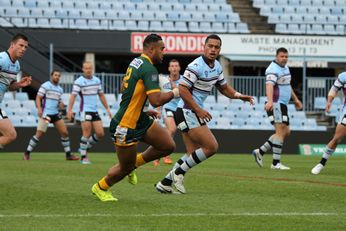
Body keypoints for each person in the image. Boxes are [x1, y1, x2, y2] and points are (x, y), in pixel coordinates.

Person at [155, 34, 254, 194]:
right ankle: (178, 173)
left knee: (191, 153)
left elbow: (223, 88)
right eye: (211, 46)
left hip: (187, 111)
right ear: (204, 47)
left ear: (219, 50)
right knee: (211, 146)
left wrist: (238, 96)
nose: (213, 49)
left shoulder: (217, 67)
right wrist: (198, 109)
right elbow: (183, 89)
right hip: (187, 110)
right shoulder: (196, 66)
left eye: (216, 47)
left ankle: (165, 182)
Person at [91, 34, 180, 202]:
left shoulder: (136, 62)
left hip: (139, 118)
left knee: (167, 145)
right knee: (124, 168)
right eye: (162, 49)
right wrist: (176, 92)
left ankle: (134, 165)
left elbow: (125, 89)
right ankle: (101, 187)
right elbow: (156, 100)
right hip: (125, 125)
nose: (163, 52)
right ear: (151, 49)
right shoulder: (148, 68)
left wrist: (142, 111)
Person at [252, 47, 302, 170]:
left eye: (286, 56)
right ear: (276, 57)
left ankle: (260, 151)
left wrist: (295, 100)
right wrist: (270, 101)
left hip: (283, 105)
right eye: (282, 56)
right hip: (275, 104)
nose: (284, 58)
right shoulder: (272, 69)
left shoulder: (285, 68)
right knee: (280, 132)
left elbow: (287, 85)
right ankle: (275, 163)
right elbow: (269, 85)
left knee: (286, 132)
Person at [23, 71, 79, 161]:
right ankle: (26, 153)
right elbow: (38, 98)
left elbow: (59, 101)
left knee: (65, 133)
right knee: (39, 134)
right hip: (46, 114)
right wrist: (39, 109)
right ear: (51, 76)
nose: (57, 77)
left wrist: (61, 103)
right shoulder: (45, 85)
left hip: (55, 114)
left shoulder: (60, 89)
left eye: (59, 76)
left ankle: (68, 155)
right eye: (55, 75)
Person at [67, 61, 112, 164]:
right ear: (83, 69)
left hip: (94, 110)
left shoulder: (97, 80)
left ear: (92, 69)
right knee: (86, 133)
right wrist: (70, 110)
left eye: (90, 68)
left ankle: (84, 147)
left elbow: (101, 95)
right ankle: (83, 157)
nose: (88, 70)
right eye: (86, 68)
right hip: (85, 110)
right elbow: (73, 96)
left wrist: (107, 109)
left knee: (100, 133)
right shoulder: (79, 81)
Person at [0, 33, 32, 150]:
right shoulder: (2, 59)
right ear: (12, 45)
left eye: (25, 47)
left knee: (8, 135)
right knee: (10, 135)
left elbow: (9, 86)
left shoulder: (17, 65)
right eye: (20, 45)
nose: (23, 49)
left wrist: (19, 84)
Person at [311, 72, 346, 175]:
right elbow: (334, 89)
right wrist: (329, 102)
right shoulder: (343, 76)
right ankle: (321, 163)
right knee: (337, 138)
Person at [153, 59, 182, 166]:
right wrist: (158, 110)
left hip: (180, 109)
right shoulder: (164, 81)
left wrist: (176, 87)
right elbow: (160, 96)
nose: (174, 68)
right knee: (172, 129)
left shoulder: (184, 80)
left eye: (176, 66)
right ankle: (166, 154)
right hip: (168, 107)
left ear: (179, 68)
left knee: (169, 132)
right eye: (172, 66)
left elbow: (186, 94)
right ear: (169, 68)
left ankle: (157, 152)